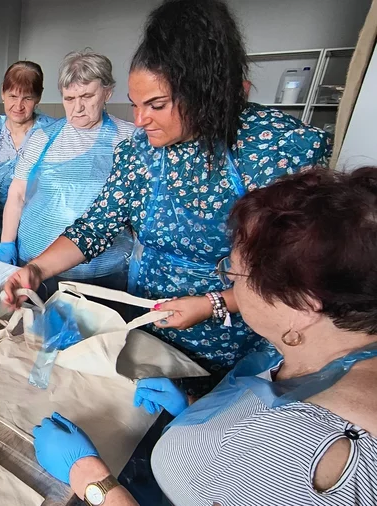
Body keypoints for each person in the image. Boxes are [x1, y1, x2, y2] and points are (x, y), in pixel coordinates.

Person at [3, 0, 331, 389]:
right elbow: (96, 227)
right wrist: (37, 269)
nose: (140, 120)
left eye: (156, 105)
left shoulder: (274, 149)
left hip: (237, 334)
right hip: (149, 322)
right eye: (136, 105)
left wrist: (214, 304)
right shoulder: (138, 152)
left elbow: (294, 271)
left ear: (204, 93)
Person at [31, 167, 377, 506]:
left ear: (300, 306)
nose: (229, 283)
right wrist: (194, 410)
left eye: (236, 274)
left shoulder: (317, 454)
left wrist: (92, 481)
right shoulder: (330, 354)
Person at [0, 51, 135, 294]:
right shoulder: (43, 137)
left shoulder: (128, 138)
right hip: (34, 263)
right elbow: (17, 193)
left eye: (87, 96)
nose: (78, 107)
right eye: (69, 98)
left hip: (100, 272)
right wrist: (6, 243)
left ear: (107, 93)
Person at [0, 61, 55, 251]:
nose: (18, 106)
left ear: (38, 97)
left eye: (27, 98)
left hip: (37, 228)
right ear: (2, 93)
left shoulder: (51, 132)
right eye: (12, 96)